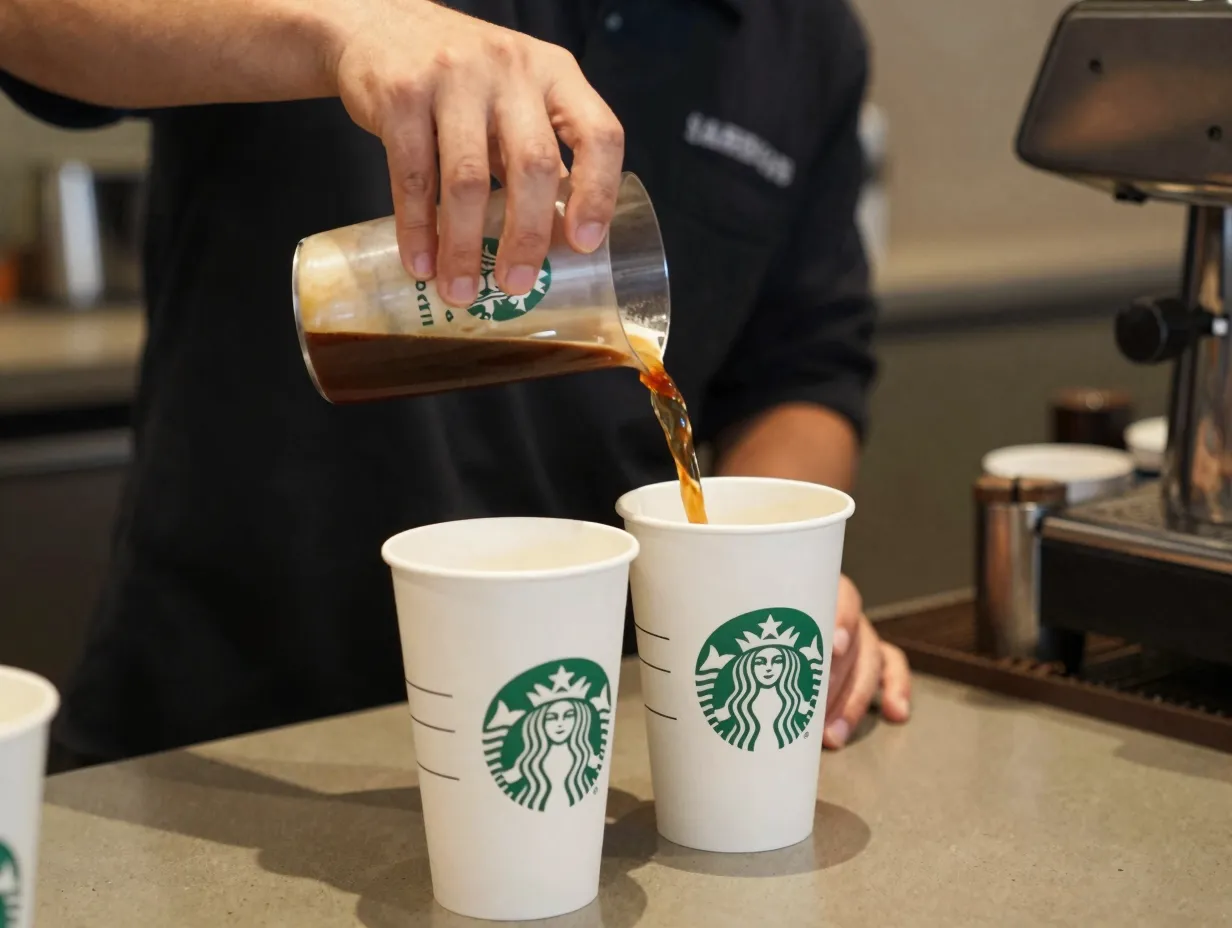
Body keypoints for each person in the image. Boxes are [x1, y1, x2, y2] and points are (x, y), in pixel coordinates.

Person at [0, 0, 910, 767]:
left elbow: (803, 366)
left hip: (571, 733)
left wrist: (775, 572)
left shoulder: (804, 36)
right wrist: (345, 27)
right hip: (228, 728)